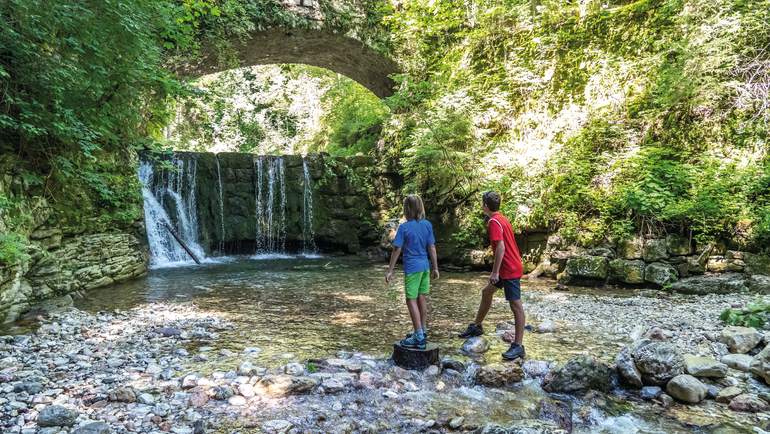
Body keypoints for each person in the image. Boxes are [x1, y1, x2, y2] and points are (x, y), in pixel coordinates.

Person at [458, 191, 526, 361]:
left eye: (482, 203)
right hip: (508, 267)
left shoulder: (494, 222)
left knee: (516, 305)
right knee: (486, 292)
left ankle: (518, 346)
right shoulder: (502, 218)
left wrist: (494, 272)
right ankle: (477, 326)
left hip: (508, 268)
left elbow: (501, 247)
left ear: (485, 206)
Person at [385, 194, 439, 350]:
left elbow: (397, 249)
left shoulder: (404, 227)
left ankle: (419, 336)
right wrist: (435, 267)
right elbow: (432, 247)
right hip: (425, 267)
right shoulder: (427, 225)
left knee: (410, 300)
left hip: (412, 268)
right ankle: (422, 329)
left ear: (406, 209)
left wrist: (390, 270)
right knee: (422, 298)